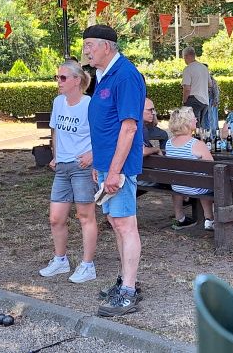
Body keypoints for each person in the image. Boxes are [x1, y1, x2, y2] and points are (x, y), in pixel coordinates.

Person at [83, 24, 146, 317]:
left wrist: (114, 171)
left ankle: (129, 292)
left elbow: (129, 127)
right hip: (108, 165)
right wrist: (100, 164)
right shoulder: (104, 75)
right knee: (117, 223)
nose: (86, 52)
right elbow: (105, 124)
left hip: (119, 167)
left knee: (125, 225)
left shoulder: (126, 75)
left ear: (106, 46)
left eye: (90, 46)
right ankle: (125, 282)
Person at [38, 60, 99, 284]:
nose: (59, 81)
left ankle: (87, 265)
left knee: (85, 216)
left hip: (82, 167)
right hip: (62, 167)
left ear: (77, 80)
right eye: (57, 77)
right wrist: (56, 154)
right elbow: (55, 131)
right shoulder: (58, 102)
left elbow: (103, 134)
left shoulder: (89, 104)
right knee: (56, 218)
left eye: (63, 78)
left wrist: (92, 155)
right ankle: (60, 260)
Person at [165, 107, 216, 231]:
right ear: (187, 123)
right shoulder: (196, 144)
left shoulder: (169, 143)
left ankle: (180, 217)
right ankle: (209, 218)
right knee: (207, 181)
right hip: (195, 187)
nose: (196, 120)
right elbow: (212, 167)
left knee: (198, 179)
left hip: (177, 186)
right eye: (194, 118)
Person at [181, 47, 210, 129]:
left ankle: (195, 137)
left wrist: (184, 101)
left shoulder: (188, 69)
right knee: (199, 125)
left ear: (187, 56)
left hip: (194, 99)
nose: (184, 60)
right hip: (205, 100)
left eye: (184, 57)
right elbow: (210, 84)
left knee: (191, 125)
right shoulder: (204, 67)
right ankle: (201, 136)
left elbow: (187, 89)